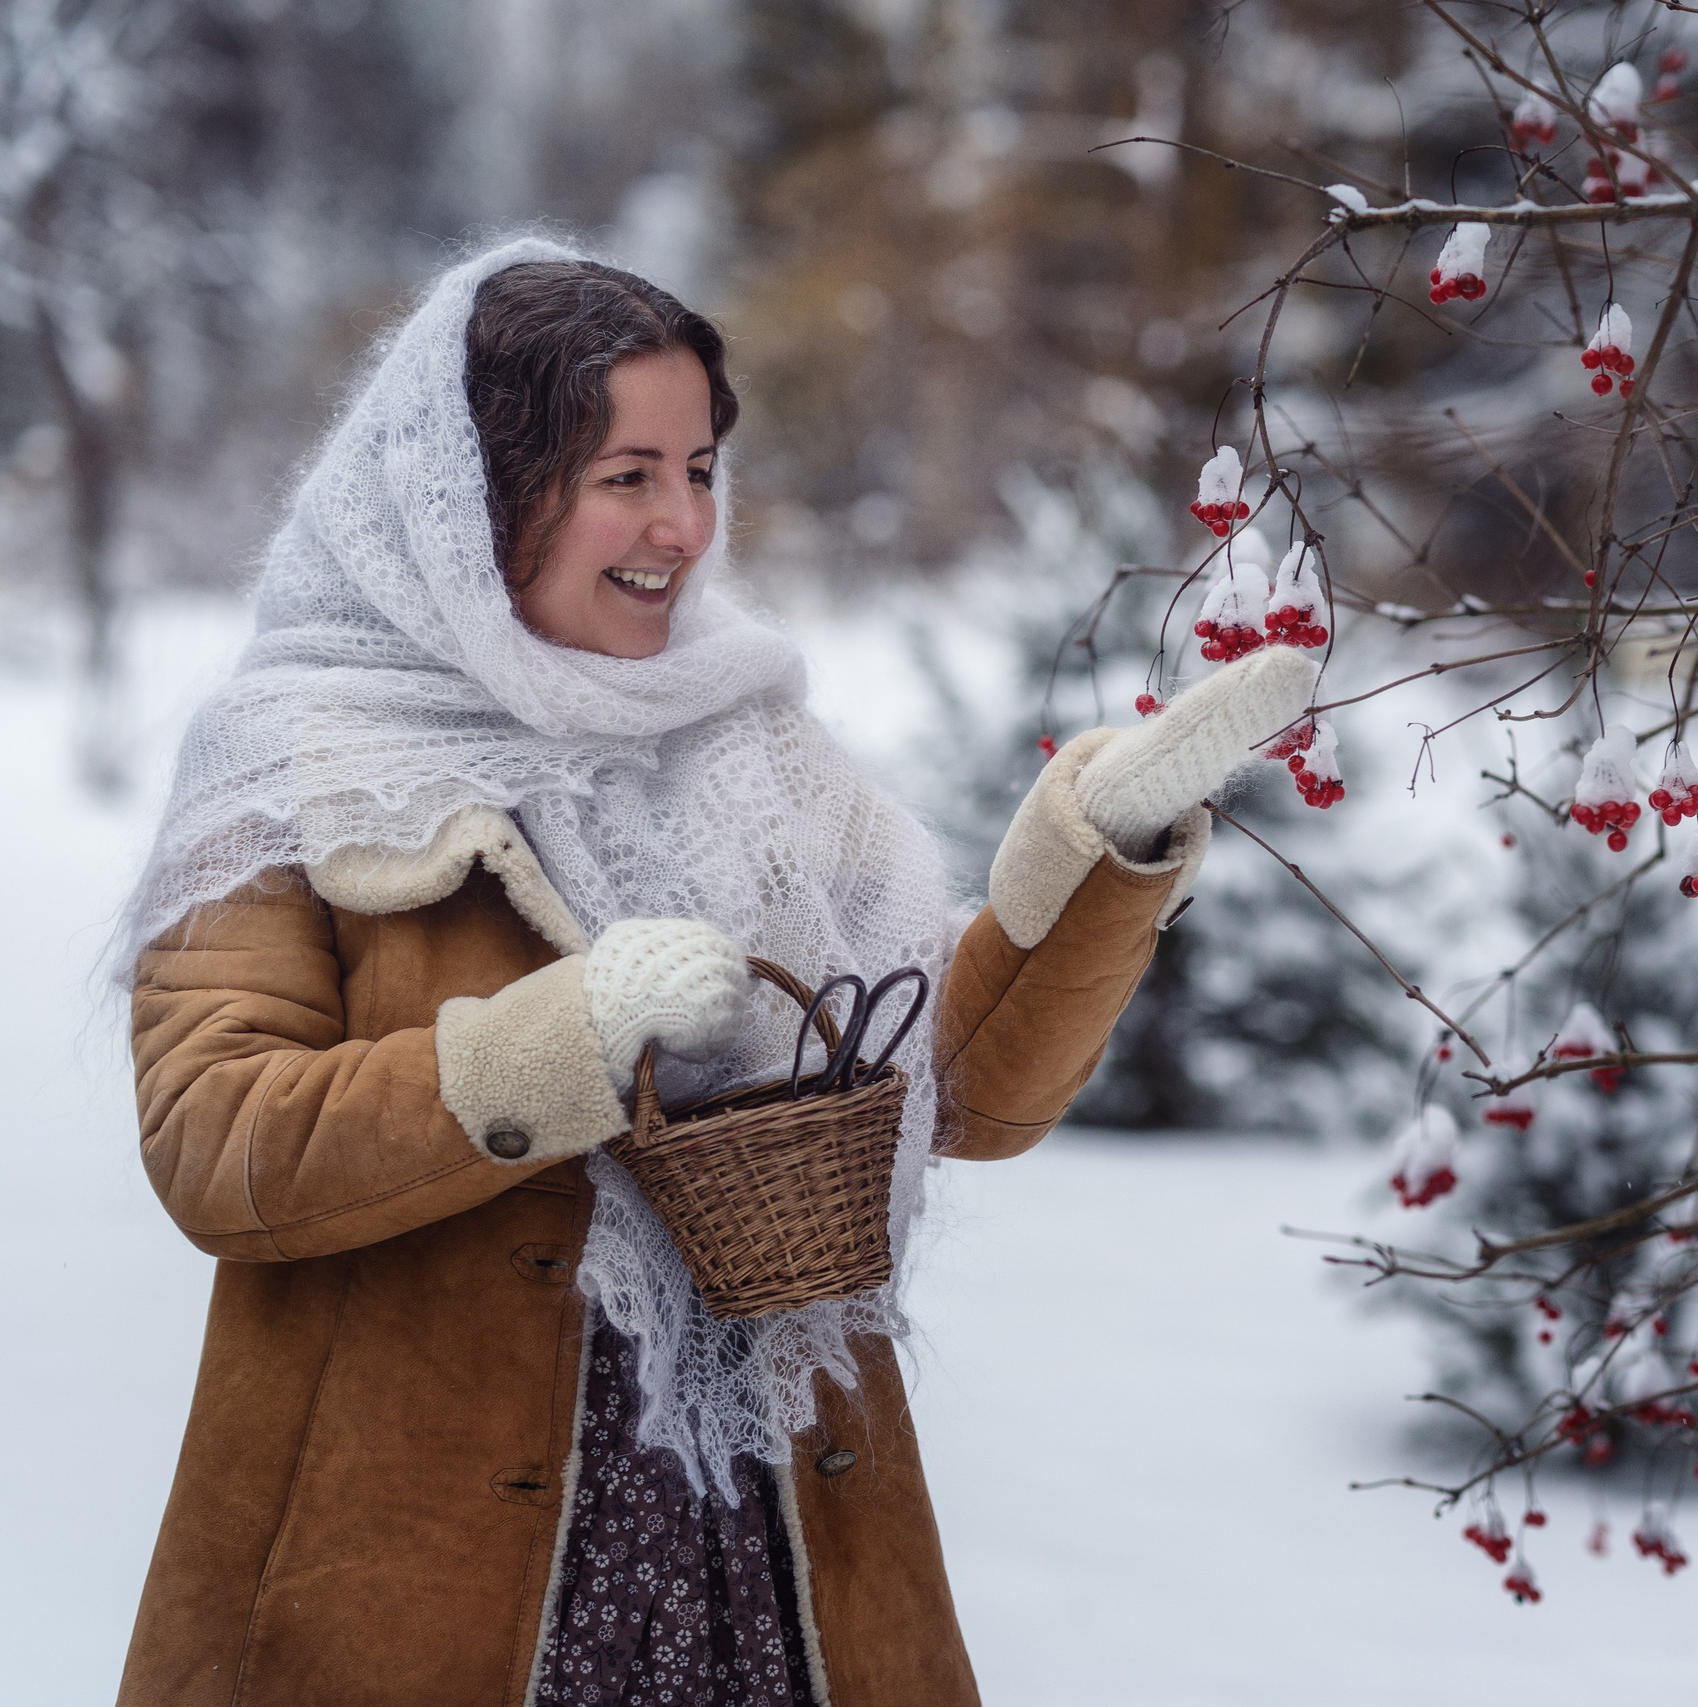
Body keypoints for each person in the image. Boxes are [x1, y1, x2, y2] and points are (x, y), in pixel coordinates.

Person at [109, 236, 1314, 1707]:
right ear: (474, 493)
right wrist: (562, 1039)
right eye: (626, 474)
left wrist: (1095, 863)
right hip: (406, 1581)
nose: (681, 524)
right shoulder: (297, 757)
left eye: (699, 468)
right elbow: (219, 1141)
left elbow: (959, 1098)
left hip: (770, 1554)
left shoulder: (752, 746)